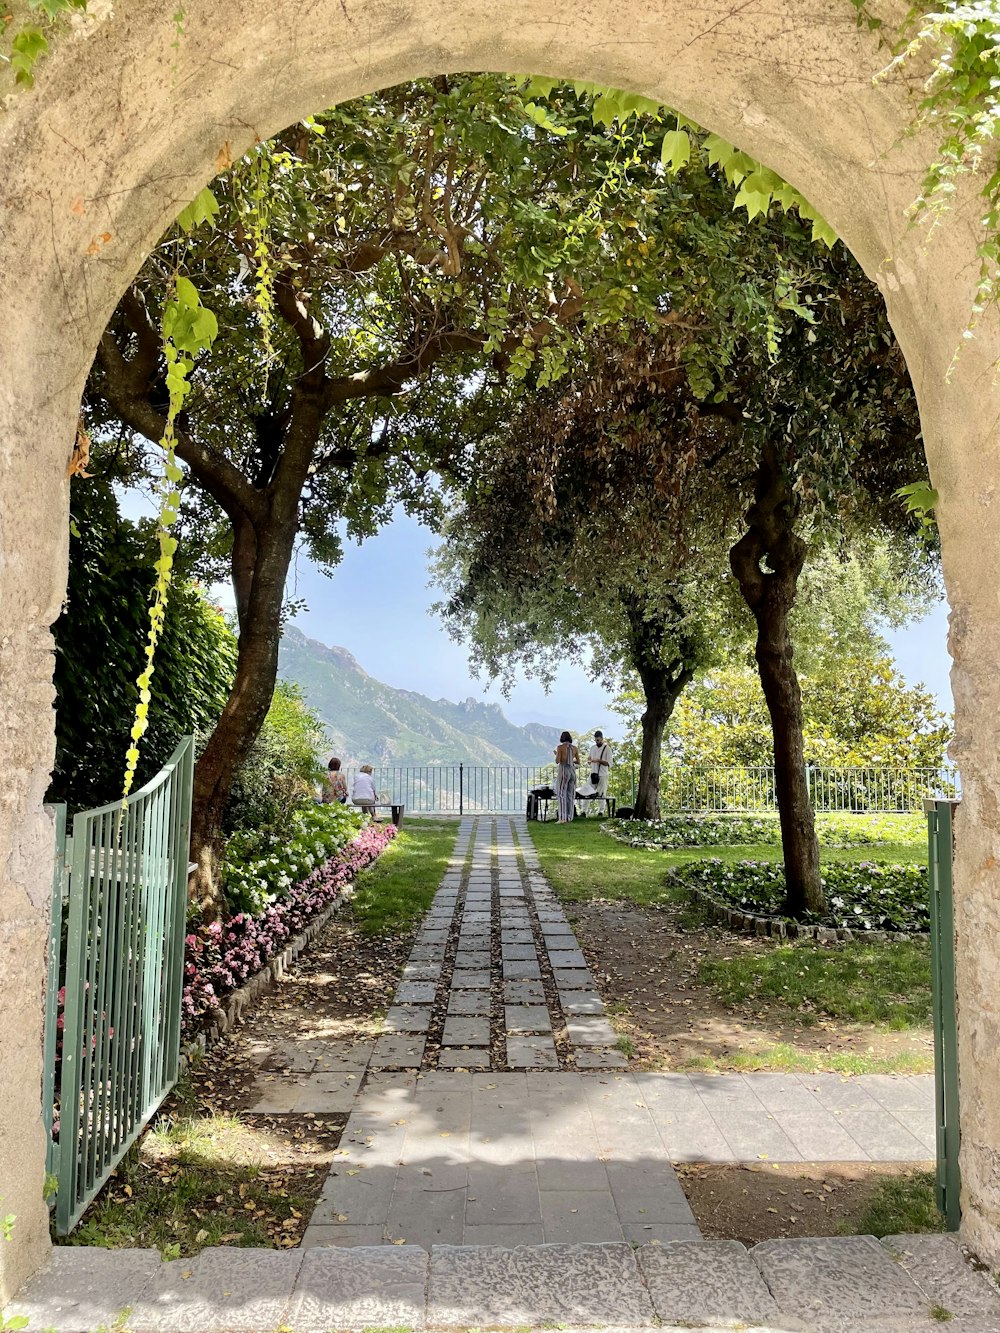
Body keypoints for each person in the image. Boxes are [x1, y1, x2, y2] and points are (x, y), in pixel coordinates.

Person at [554, 730, 579, 823]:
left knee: (561, 794)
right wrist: (571, 760)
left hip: (564, 770)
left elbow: (558, 760)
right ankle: (569, 817)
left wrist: (556, 754)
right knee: (570, 794)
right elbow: (578, 761)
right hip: (572, 771)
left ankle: (562, 818)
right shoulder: (575, 748)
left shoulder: (560, 747)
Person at [587, 730, 613, 814]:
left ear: (602, 739)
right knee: (588, 791)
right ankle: (584, 810)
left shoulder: (607, 749)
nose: (597, 742)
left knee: (601, 793)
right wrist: (589, 760)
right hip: (593, 773)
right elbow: (589, 758)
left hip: (602, 774)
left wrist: (599, 761)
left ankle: (600, 811)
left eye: (598, 740)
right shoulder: (592, 748)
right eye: (595, 740)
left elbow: (609, 763)